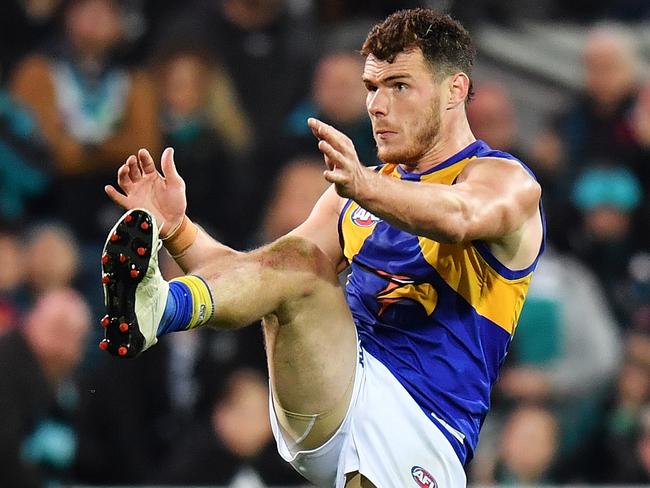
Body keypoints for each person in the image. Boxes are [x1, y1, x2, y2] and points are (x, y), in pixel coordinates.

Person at [100, 8, 544, 488]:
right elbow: (253, 277)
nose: (376, 105)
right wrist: (179, 230)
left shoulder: (504, 179)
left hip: (426, 422)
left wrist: (364, 187)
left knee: (303, 266)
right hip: (334, 386)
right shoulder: (357, 193)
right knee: (299, 265)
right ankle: (160, 307)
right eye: (371, 87)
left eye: (398, 86)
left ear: (454, 90)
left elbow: (460, 218)